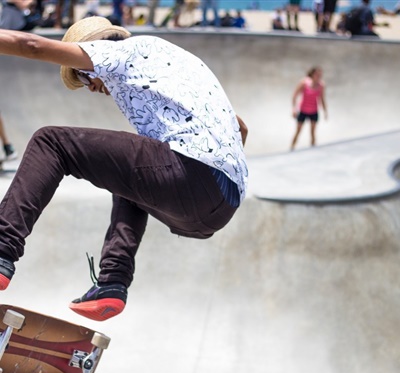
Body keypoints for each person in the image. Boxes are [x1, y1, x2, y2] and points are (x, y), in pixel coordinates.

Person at [0, 17, 248, 322]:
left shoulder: (119, 52)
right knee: (127, 177)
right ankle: (112, 282)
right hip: (221, 206)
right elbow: (241, 128)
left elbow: (31, 45)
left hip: (187, 172)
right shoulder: (177, 63)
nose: (91, 88)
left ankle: (3, 248)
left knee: (50, 142)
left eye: (83, 77)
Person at [291, 66, 327, 150]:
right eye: (317, 74)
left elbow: (322, 98)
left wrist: (325, 111)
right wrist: (294, 109)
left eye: (320, 75)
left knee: (313, 132)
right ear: (312, 74)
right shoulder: (304, 82)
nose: (319, 76)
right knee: (298, 131)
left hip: (314, 111)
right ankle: (291, 148)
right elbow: (295, 95)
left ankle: (313, 149)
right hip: (303, 110)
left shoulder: (321, 85)